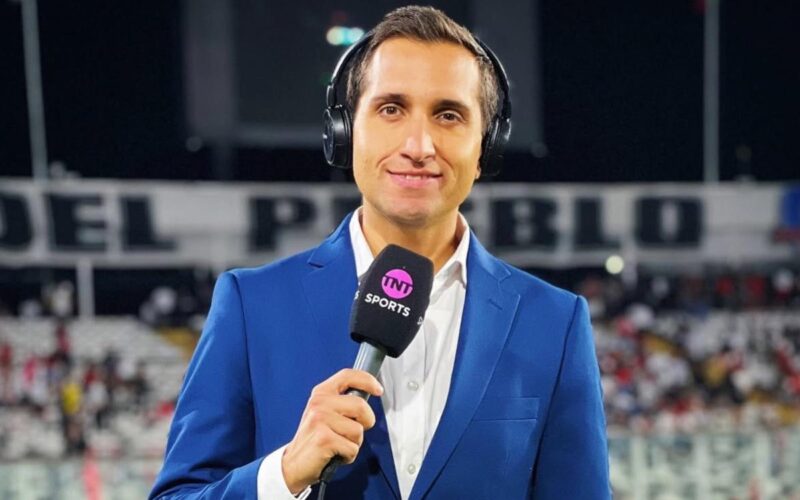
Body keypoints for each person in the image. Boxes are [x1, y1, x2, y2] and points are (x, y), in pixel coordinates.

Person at [150, 6, 609, 499]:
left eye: (448, 114)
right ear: (345, 133)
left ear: (487, 147)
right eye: (391, 108)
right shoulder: (250, 303)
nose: (418, 144)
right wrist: (283, 475)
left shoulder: (554, 322)